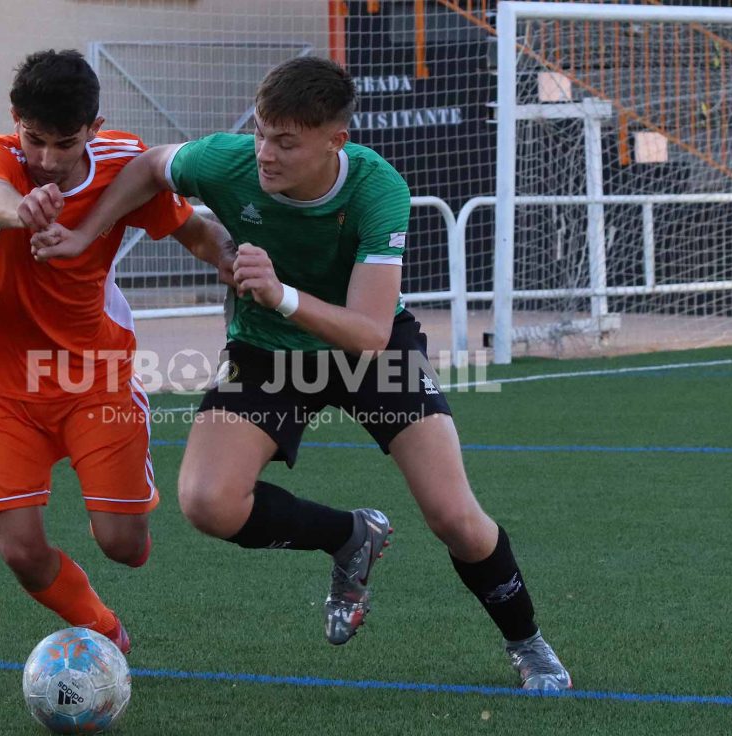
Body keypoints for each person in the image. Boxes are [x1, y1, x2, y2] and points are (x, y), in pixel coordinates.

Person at [31, 57, 570, 689]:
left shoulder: (378, 189)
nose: (266, 153)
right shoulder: (228, 161)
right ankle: (350, 536)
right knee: (207, 502)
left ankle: (527, 643)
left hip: (371, 351)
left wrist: (280, 294)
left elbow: (369, 333)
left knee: (454, 516)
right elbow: (151, 167)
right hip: (268, 352)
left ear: (336, 140)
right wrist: (82, 235)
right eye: (261, 133)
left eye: (286, 142)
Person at [0, 49, 233, 654]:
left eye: (65, 143)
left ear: (94, 129)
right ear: (16, 120)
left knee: (124, 546)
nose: (47, 160)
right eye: (34, 139)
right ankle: (106, 633)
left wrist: (233, 261)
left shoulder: (123, 166)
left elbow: (194, 231)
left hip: (96, 376)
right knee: (21, 551)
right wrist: (22, 210)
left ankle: (117, 510)